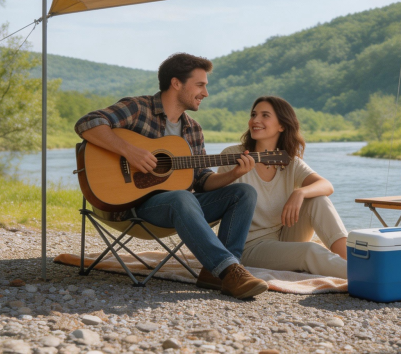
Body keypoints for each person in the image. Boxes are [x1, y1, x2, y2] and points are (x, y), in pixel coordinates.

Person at [75, 52, 268, 299]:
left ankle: (220, 272)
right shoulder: (138, 108)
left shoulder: (193, 129)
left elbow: (201, 181)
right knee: (180, 197)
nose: (205, 93)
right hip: (133, 205)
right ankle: (228, 270)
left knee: (244, 192)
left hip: (178, 207)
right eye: (200, 85)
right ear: (176, 83)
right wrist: (130, 152)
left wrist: (234, 174)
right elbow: (87, 123)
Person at [203, 95, 348, 279]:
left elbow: (326, 185)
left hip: (284, 235)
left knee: (318, 199)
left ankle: (348, 260)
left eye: (265, 115)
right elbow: (213, 193)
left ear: (282, 125)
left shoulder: (289, 162)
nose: (255, 120)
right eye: (254, 114)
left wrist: (300, 192)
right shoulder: (233, 155)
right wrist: (235, 173)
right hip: (250, 246)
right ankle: (364, 276)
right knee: (310, 250)